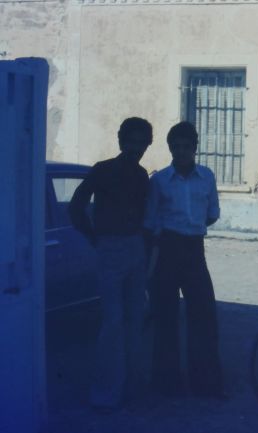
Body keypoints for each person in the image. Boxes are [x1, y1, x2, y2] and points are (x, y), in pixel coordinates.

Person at [68, 117, 152, 411]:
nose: (135, 148)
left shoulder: (142, 176)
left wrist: (145, 250)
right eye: (131, 141)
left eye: (141, 143)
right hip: (110, 249)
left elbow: (145, 215)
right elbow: (77, 205)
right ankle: (105, 391)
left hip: (135, 249)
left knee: (135, 319)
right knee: (112, 323)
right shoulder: (102, 170)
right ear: (120, 141)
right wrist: (94, 238)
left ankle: (132, 385)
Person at [144, 121, 225, 399]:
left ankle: (205, 382)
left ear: (195, 148)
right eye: (175, 147)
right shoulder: (159, 181)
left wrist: (192, 228)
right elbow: (151, 219)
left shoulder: (207, 177)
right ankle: (167, 384)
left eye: (186, 146)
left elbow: (212, 213)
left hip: (194, 250)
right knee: (165, 317)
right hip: (167, 249)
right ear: (170, 149)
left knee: (203, 315)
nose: (181, 151)